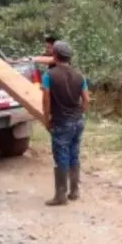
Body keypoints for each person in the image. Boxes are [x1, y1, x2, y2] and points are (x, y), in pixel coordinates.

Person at [40, 41, 90, 206]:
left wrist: (46, 119)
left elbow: (46, 99)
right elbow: (86, 99)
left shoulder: (49, 75)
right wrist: (80, 113)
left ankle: (60, 195)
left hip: (61, 122)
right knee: (74, 153)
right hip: (77, 121)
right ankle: (74, 191)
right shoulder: (79, 75)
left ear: (55, 56)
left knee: (61, 156)